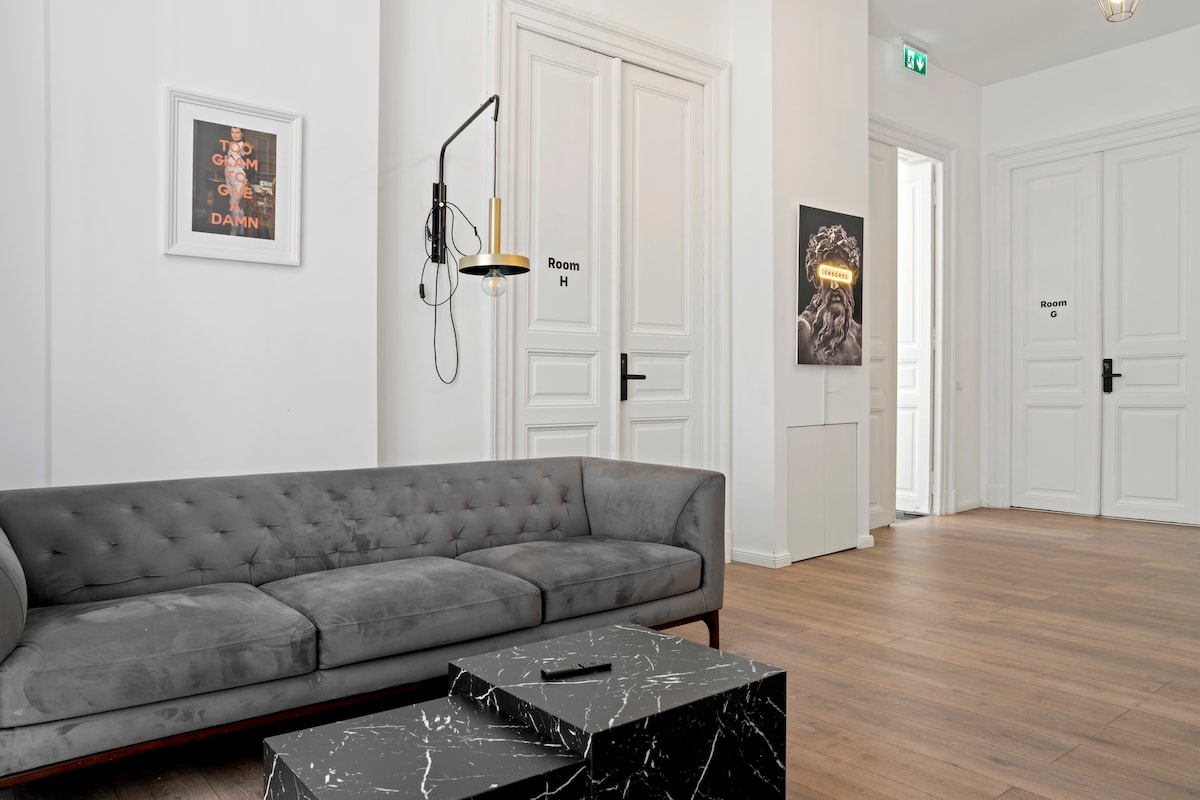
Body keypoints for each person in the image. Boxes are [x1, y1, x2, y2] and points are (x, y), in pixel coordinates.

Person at [796, 223, 863, 365]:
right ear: (817, 280)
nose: (834, 285)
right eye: (827, 275)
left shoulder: (860, 337)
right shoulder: (802, 331)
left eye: (842, 275)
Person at [223, 126, 252, 235]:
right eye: (233, 132)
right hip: (229, 176)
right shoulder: (231, 145)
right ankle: (241, 229)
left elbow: (247, 155)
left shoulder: (244, 145)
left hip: (238, 178)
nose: (234, 134)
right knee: (238, 205)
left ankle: (234, 230)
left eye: (237, 132)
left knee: (233, 203)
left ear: (242, 134)